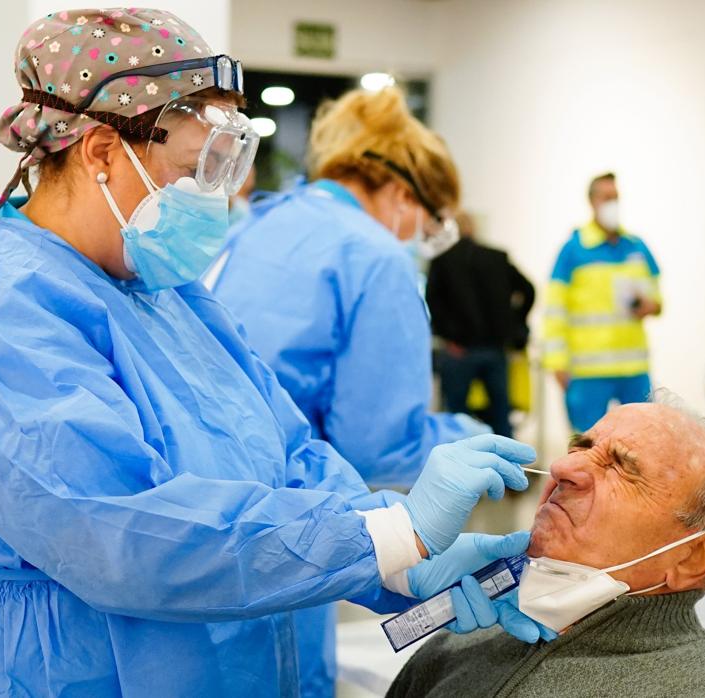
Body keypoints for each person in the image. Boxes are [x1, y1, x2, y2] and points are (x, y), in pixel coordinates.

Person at [0, 11, 550, 696]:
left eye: (227, 168)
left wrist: (399, 561)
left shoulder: (166, 296)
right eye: (196, 169)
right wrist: (381, 540)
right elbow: (124, 536)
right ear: (102, 152)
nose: (222, 197)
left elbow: (289, 454)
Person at [206, 86, 491, 697]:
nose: (421, 240)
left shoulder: (254, 226)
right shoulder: (375, 257)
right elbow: (378, 448)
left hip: (211, 522)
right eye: (430, 224)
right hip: (289, 520)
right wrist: (471, 440)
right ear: (400, 194)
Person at [388, 394, 705, 697]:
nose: (563, 469)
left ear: (692, 557)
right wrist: (389, 557)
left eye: (621, 467)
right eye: (580, 447)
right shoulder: (460, 646)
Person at [544, 172, 662, 431]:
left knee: (643, 442)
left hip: (634, 369)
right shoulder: (573, 250)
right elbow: (554, 311)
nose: (613, 203)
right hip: (588, 372)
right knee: (586, 447)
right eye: (606, 197)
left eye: (616, 197)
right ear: (592, 202)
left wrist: (651, 305)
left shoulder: (636, 247)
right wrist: (556, 362)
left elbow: (657, 296)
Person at [426, 212, 536, 437]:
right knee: (500, 415)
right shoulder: (496, 257)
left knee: (456, 418)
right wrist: (514, 324)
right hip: (495, 349)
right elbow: (528, 290)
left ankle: (460, 469)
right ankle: (508, 467)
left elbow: (433, 303)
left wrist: (448, 336)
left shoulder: (442, 261)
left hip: (459, 351)